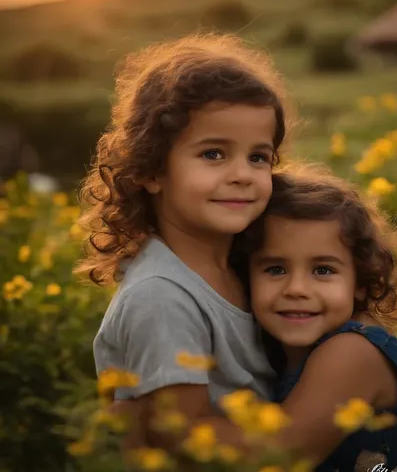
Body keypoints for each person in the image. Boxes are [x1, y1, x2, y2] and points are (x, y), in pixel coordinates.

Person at [77, 33, 292, 426]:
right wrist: (311, 435)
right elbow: (186, 442)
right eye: (213, 154)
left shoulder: (247, 264)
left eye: (258, 157)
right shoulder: (161, 297)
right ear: (151, 170)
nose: (243, 175)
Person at [243, 168, 397, 472]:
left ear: (360, 282)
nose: (296, 289)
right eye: (275, 269)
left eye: (323, 270)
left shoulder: (353, 351)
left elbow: (276, 457)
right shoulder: (269, 346)